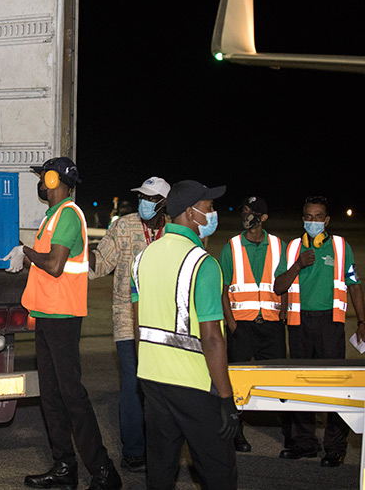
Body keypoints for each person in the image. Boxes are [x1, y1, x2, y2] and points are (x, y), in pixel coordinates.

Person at [7, 157, 122, 490]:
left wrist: (25, 252)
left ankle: (103, 471)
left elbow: (56, 266)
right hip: (47, 315)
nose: (40, 183)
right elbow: (50, 269)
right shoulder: (52, 218)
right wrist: (27, 256)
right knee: (52, 397)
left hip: (63, 318)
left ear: (55, 180)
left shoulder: (69, 216)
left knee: (72, 395)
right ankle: (64, 467)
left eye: (43, 177)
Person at [131, 180, 238, 490]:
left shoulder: (143, 259)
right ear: (191, 214)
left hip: (152, 380)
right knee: (218, 470)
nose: (213, 213)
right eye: (209, 208)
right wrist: (226, 398)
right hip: (193, 383)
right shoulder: (203, 264)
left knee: (161, 472)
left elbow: (140, 326)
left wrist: (147, 370)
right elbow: (213, 338)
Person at [274, 196, 365, 468]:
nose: (312, 221)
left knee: (334, 386)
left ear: (326, 221)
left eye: (318, 217)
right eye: (308, 216)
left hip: (330, 323)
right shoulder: (292, 249)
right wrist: (298, 265)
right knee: (301, 383)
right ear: (303, 218)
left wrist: (362, 321)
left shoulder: (340, 246)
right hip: (299, 323)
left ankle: (335, 448)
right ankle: (305, 444)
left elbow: (354, 285)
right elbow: (279, 286)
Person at [88, 176, 171, 473]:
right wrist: (72, 254)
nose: (143, 203)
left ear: (163, 203)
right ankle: (134, 451)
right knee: (133, 385)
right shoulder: (124, 225)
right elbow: (100, 264)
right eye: (141, 197)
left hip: (166, 322)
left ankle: (162, 449)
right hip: (127, 320)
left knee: (163, 388)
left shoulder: (175, 231)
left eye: (150, 199)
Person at [219, 196, 288, 453]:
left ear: (263, 217)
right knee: (237, 383)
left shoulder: (279, 246)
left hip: (271, 326)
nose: (246, 215)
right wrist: (231, 323)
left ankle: (289, 433)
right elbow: (223, 289)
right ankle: (237, 434)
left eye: (251, 211)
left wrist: (283, 315)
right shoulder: (232, 247)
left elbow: (287, 283)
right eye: (244, 210)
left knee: (280, 382)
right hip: (242, 327)